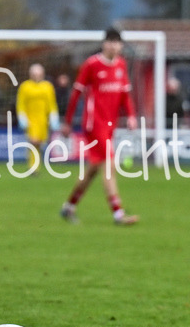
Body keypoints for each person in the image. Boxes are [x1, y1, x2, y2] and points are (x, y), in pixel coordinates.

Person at [59, 28, 139, 226]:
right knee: (110, 164)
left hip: (110, 125)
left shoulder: (121, 65)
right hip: (94, 124)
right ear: (104, 44)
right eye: (110, 41)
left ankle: (69, 207)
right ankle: (118, 214)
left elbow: (125, 95)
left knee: (94, 169)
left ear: (121, 45)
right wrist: (68, 121)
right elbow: (76, 94)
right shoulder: (92, 64)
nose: (113, 45)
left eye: (117, 42)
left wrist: (131, 116)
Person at [15, 63, 59, 172]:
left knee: (39, 144)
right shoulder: (25, 86)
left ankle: (36, 166)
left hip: (43, 120)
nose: (36, 76)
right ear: (30, 74)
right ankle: (33, 167)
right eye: (34, 74)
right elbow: (21, 103)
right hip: (30, 120)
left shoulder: (47, 86)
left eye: (38, 74)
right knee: (33, 142)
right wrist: (22, 117)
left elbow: (52, 104)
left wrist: (54, 117)